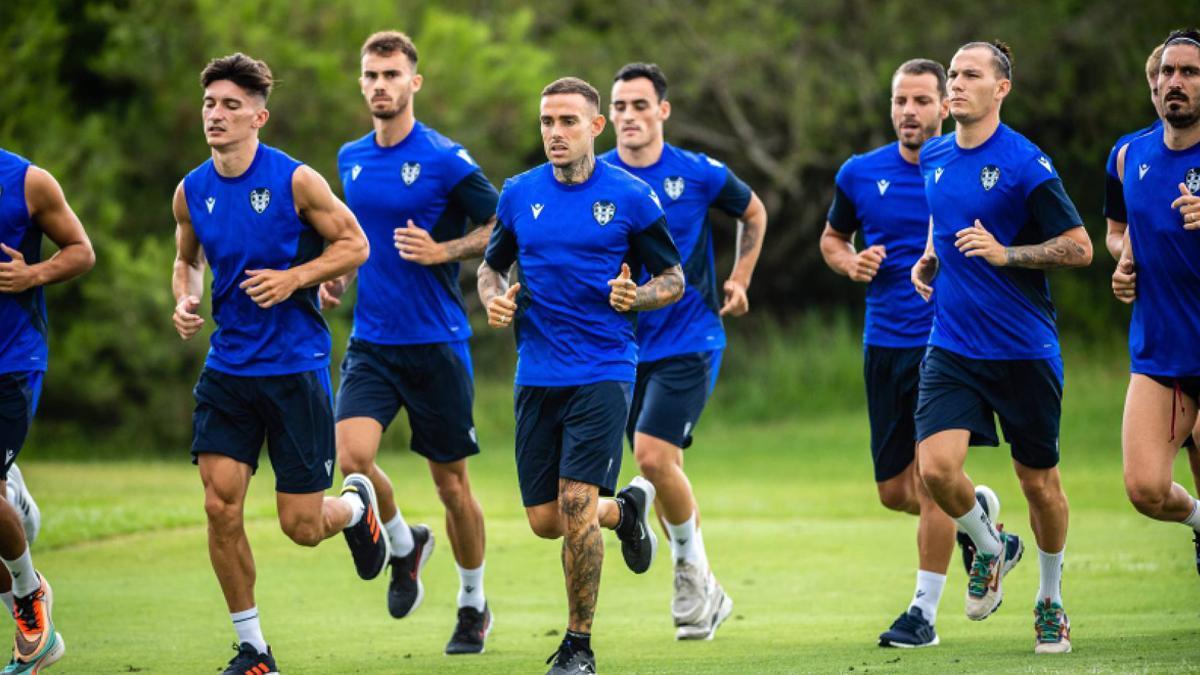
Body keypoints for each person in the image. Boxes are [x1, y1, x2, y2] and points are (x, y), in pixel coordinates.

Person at [171, 53, 375, 674]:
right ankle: (254, 650)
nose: (218, 115)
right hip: (229, 367)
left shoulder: (295, 181)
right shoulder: (191, 190)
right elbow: (188, 259)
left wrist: (295, 279)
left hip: (294, 367)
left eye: (232, 106)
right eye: (210, 104)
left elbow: (355, 244)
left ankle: (358, 505)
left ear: (260, 116)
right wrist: (183, 297)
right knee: (218, 505)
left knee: (303, 526)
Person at [477, 76, 684, 674]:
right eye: (547, 122)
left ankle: (578, 645)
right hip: (536, 373)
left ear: (597, 127)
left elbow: (672, 280)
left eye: (567, 121)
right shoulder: (518, 193)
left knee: (573, 504)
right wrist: (495, 298)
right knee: (549, 521)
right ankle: (624, 512)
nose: (555, 133)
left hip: (603, 368)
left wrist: (635, 295)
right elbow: (491, 268)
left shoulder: (632, 196)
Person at [910, 40, 1092, 655]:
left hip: (1023, 350)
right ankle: (991, 546)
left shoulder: (1025, 164)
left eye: (970, 75)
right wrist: (931, 257)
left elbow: (1079, 246)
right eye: (952, 75)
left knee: (1038, 485)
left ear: (1001, 89)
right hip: (953, 343)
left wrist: (1006, 253)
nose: (955, 85)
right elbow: (944, 217)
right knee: (935, 469)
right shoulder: (933, 154)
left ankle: (1050, 601)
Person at [320, 30, 497, 654]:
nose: (379, 86)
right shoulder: (350, 157)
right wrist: (338, 271)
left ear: (413, 83)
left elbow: (501, 225)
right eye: (370, 75)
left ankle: (473, 602)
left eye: (391, 75)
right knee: (352, 459)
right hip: (372, 342)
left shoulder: (447, 159)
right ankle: (401, 541)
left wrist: (443, 250)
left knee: (452, 488)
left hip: (437, 343)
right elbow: (355, 232)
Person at [821, 57, 1001, 648]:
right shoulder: (857, 172)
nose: (909, 112)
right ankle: (978, 518)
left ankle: (922, 615)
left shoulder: (966, 167)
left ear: (944, 107)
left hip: (947, 345)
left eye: (922, 101)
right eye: (900, 101)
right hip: (883, 345)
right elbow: (832, 238)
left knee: (930, 482)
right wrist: (851, 262)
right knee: (895, 492)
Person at [598, 62, 767, 641]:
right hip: (621, 350)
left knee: (649, 458)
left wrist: (741, 276)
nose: (628, 117)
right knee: (666, 472)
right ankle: (709, 590)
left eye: (639, 106)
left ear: (662, 111)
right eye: (619, 107)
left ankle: (688, 571)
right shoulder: (597, 178)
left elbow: (753, 211)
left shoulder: (698, 173)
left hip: (692, 338)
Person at [0, 146, 94, 672]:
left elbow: (81, 250)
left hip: (11, 361)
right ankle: (12, 500)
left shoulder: (26, 182)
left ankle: (28, 597)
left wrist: (31, 275)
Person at [1110, 28, 1200, 579]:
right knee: (1144, 488)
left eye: (1189, 72)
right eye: (1168, 71)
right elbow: (1118, 231)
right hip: (1161, 350)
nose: (1175, 82)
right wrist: (1125, 260)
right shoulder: (1127, 155)